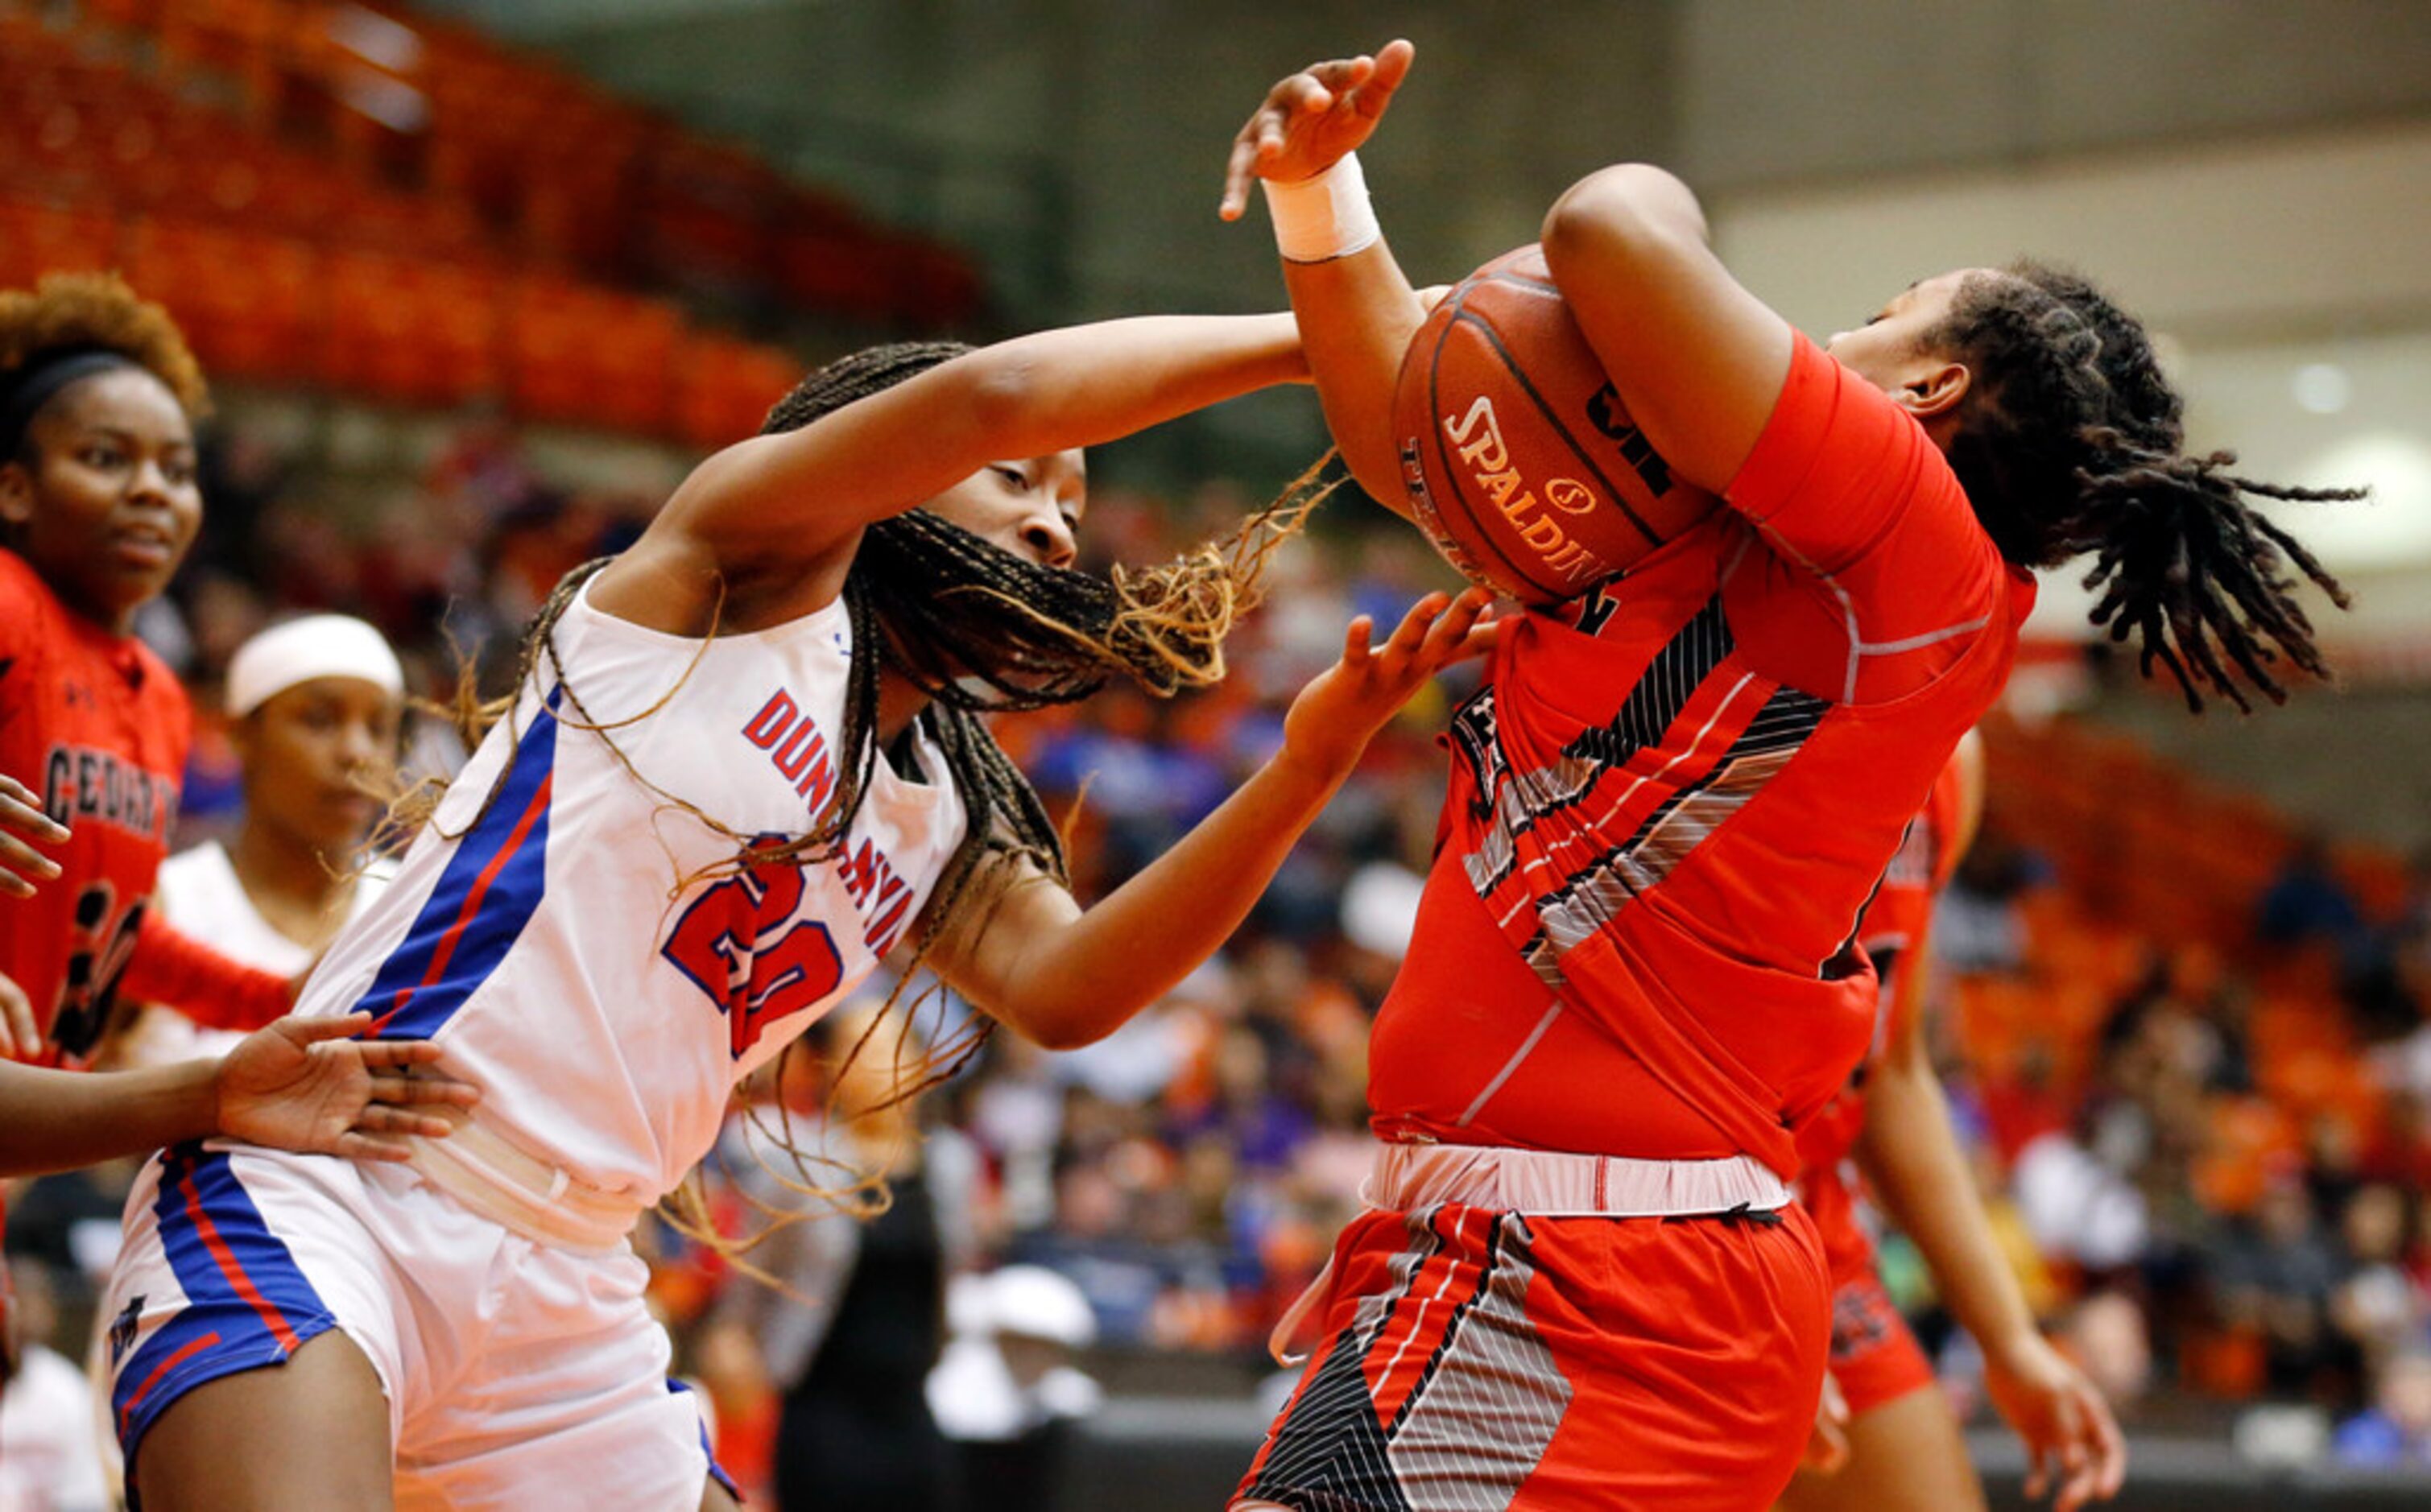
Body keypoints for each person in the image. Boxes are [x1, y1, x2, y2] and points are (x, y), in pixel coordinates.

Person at [104, 311, 1499, 1510]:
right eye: (1019, 480)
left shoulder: (935, 802)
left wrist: (1304, 765)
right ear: (889, 463)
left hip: (572, 1282)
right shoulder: (733, 573)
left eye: (1071, 502)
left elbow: (1073, 989)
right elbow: (993, 392)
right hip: (336, 1185)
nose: (1053, 518)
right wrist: (1320, 331)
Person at [1217, 39, 2351, 1512]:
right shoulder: (1733, 562)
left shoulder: (1911, 538)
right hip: (1571, 1257)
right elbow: (1425, 437)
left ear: (1927, 385)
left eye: (1873, 321)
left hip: (1582, 1276)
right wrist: (1323, 198)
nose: (1816, 338)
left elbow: (1610, 228)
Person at [1778, 733, 2123, 1512]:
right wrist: (1749, 1307)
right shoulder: (1711, 710)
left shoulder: (1949, 758)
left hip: (1812, 1241)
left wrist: (2008, 1338)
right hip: (1648, 1230)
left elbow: (1891, 1075)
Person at [0, 272, 299, 1068]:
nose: (150, 491)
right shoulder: (11, 601)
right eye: (105, 458)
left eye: (175, 469)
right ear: (15, 489)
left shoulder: (162, 695)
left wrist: (277, 997)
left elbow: (105, 933)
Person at [113, 613, 407, 1067]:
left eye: (380, 727)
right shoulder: (164, 899)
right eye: (320, 720)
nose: (357, 752)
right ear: (241, 736)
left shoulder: (411, 906)